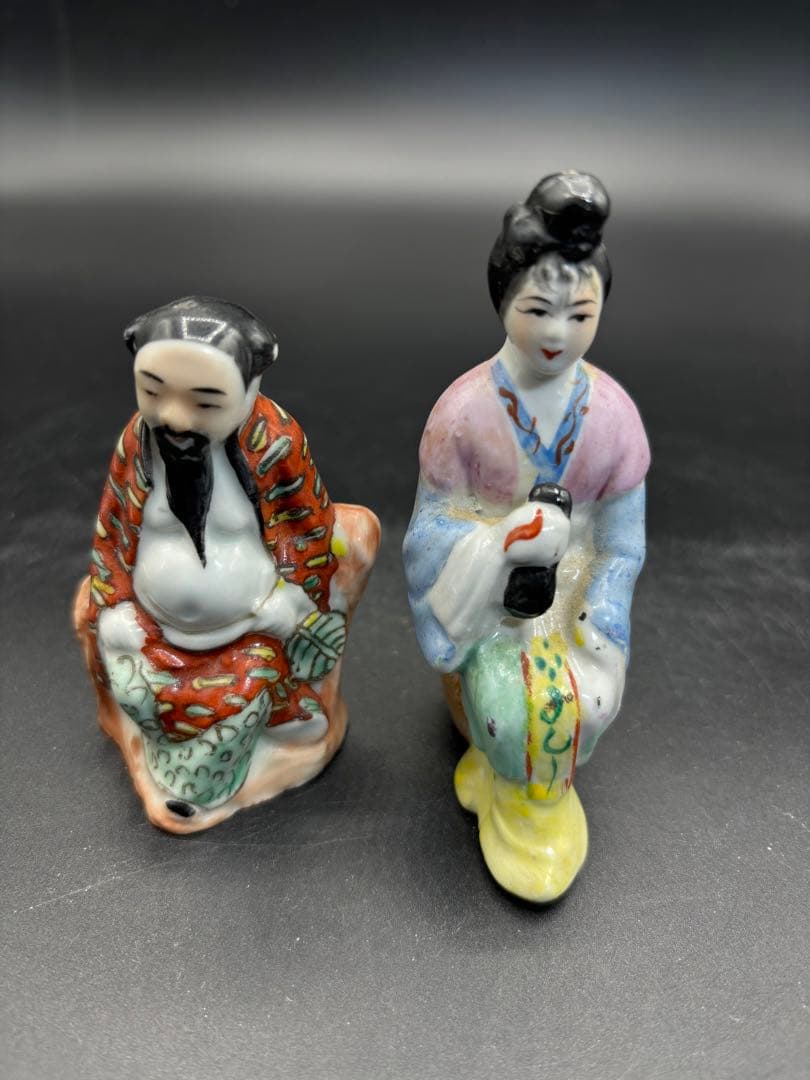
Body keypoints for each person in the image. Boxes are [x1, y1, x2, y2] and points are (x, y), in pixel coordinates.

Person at [403, 172, 649, 900]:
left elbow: (622, 544)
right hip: (488, 603)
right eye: (538, 309)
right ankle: (513, 796)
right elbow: (429, 530)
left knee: (588, 697)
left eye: (580, 314)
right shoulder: (464, 411)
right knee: (509, 708)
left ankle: (533, 791)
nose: (556, 334)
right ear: (503, 300)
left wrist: (599, 615)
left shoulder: (613, 415)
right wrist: (502, 543)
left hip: (571, 595)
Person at [75, 296, 379, 831]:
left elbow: (307, 527)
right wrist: (116, 604)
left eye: (206, 402)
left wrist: (289, 599)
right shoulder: (139, 442)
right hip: (153, 632)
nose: (175, 417)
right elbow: (114, 528)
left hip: (248, 632)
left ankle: (238, 750)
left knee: (238, 707)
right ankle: (168, 742)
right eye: (153, 392)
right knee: (129, 677)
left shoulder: (274, 443)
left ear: (252, 384)